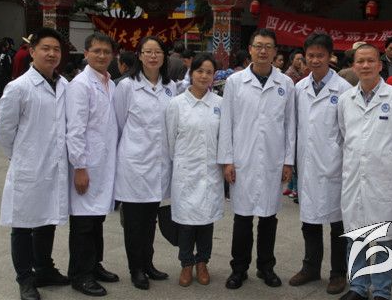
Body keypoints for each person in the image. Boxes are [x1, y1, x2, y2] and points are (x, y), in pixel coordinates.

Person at [0, 28, 70, 300]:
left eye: (56, 49)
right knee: (23, 225)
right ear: (33, 51)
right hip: (29, 167)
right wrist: (20, 156)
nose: (51, 54)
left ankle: (45, 269)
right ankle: (25, 279)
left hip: (53, 166)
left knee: (47, 220)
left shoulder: (64, 85)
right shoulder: (19, 87)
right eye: (45, 48)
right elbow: (3, 130)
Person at [217, 28, 296, 290]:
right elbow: (226, 123)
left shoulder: (285, 84)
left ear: (275, 52)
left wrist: (288, 161)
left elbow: (290, 125)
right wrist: (227, 161)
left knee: (268, 217)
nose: (263, 51)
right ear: (250, 49)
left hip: (273, 160)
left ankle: (266, 267)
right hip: (243, 159)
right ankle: (238, 269)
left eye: (268, 47)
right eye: (258, 46)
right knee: (242, 217)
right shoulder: (235, 82)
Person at [337, 44, 392, 300]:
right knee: (356, 235)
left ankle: (381, 291)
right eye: (361, 61)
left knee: (384, 239)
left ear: (380, 65)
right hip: (355, 178)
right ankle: (358, 287)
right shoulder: (346, 100)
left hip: (385, 179)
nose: (365, 65)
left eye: (371, 61)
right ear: (354, 66)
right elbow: (344, 135)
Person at [289, 33, 351, 294]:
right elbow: (295, 127)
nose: (315, 60)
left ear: (330, 56)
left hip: (335, 164)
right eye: (311, 56)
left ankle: (338, 273)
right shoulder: (299, 88)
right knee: (310, 219)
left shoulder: (343, 89)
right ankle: (311, 267)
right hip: (308, 163)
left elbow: (348, 131)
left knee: (337, 223)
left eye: (320, 56)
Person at [114, 36, 177, 290]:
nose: (152, 56)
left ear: (164, 56)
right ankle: (136, 268)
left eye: (157, 52)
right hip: (134, 164)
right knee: (134, 222)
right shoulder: (126, 86)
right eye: (147, 51)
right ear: (139, 55)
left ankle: (148, 263)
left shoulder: (171, 87)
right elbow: (118, 124)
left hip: (159, 164)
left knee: (151, 218)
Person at [65, 33, 120, 297]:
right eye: (96, 51)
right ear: (86, 53)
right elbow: (75, 130)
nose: (101, 55)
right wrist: (79, 167)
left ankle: (94, 265)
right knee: (84, 223)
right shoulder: (80, 85)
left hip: (104, 164)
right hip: (87, 165)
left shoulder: (111, 83)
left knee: (97, 219)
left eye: (106, 52)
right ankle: (80, 274)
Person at [166, 53, 224, 287]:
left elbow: (223, 139)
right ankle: (186, 263)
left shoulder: (219, 104)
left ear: (213, 76)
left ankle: (202, 263)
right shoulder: (177, 104)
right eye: (200, 71)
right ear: (191, 73)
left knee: (206, 222)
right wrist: (183, 163)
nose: (204, 76)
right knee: (186, 223)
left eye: (209, 72)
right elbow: (170, 141)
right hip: (186, 172)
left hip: (210, 172)